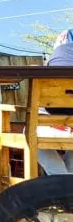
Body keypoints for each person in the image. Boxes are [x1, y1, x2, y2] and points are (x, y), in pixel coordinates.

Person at [38, 28, 73, 176]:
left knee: (29, 132)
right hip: (67, 124)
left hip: (52, 119)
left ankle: (60, 176)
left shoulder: (50, 67)